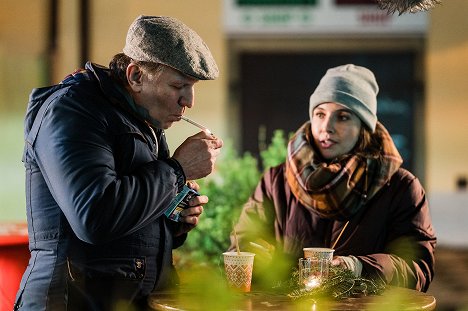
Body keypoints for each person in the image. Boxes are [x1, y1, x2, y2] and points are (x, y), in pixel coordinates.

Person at [15, 15, 223, 310]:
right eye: (179, 86)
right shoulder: (72, 110)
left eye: (192, 87)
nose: (188, 101)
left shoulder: (143, 119)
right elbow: (94, 218)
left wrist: (173, 217)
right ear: (136, 75)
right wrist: (177, 169)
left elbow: (128, 223)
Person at [230, 64, 436, 292]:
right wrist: (257, 258)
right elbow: (242, 242)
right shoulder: (276, 181)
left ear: (364, 127)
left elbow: (419, 267)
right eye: (320, 114)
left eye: (343, 117)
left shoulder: (401, 187)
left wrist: (358, 267)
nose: (327, 127)